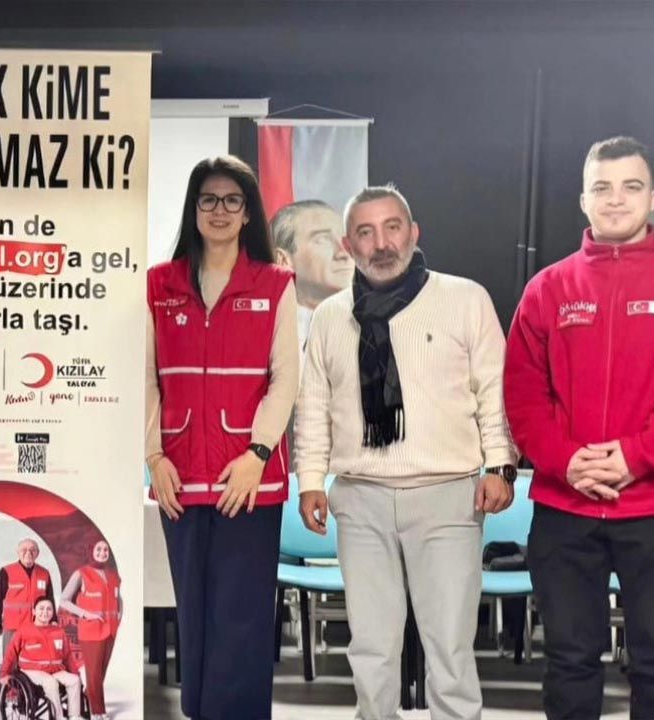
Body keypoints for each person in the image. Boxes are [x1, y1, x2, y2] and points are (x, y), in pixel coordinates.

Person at [294, 184, 516, 720]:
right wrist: (310, 481)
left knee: (450, 649)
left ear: (413, 233)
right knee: (371, 648)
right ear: (348, 245)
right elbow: (313, 407)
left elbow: (495, 390)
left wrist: (501, 466)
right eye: (366, 232)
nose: (381, 243)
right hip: (360, 498)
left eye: (392, 227)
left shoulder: (465, 298)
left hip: (447, 496)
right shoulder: (330, 316)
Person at [504, 136, 654, 720]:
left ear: (653, 197)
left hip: (652, 507)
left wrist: (637, 456)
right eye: (602, 187)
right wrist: (566, 460)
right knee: (569, 661)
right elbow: (522, 395)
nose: (615, 199)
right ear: (583, 200)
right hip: (565, 509)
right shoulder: (548, 289)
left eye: (631, 186)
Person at [145, 154, 299, 719]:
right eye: (208, 199)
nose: (220, 210)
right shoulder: (158, 284)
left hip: (249, 478)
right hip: (180, 475)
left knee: (242, 614)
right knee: (194, 613)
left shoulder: (275, 284)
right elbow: (146, 377)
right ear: (194, 208)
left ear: (248, 212)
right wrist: (153, 455)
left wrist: (257, 454)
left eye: (232, 200)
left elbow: (286, 379)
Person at [270, 199, 353, 349]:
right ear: (283, 260)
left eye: (346, 238)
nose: (344, 252)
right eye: (322, 239)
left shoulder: (382, 327)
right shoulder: (259, 337)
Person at [58, 540, 121, 720]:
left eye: (105, 549)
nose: (102, 552)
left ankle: (88, 698)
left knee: (100, 673)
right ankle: (97, 712)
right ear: (91, 551)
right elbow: (64, 600)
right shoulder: (81, 573)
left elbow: (118, 599)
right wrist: (85, 614)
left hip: (110, 630)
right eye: (98, 549)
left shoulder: (113, 576)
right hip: (91, 631)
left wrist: (118, 617)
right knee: (93, 674)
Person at [0, 538, 54, 704]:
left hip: (36, 627)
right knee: (9, 661)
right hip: (13, 626)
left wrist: (52, 621)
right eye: (24, 550)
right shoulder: (7, 571)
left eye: (32, 550)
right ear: (18, 553)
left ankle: (22, 697)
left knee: (30, 662)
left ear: (37, 553)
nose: (28, 553)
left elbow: (50, 599)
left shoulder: (44, 573)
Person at [0, 598, 83, 720]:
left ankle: (74, 716)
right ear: (34, 611)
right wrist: (4, 674)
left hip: (55, 670)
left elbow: (67, 656)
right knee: (50, 682)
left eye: (49, 609)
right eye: (41, 609)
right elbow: (11, 653)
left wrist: (76, 673)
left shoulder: (58, 631)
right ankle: (58, 717)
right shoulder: (24, 631)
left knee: (74, 680)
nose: (45, 612)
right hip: (32, 671)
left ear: (53, 612)